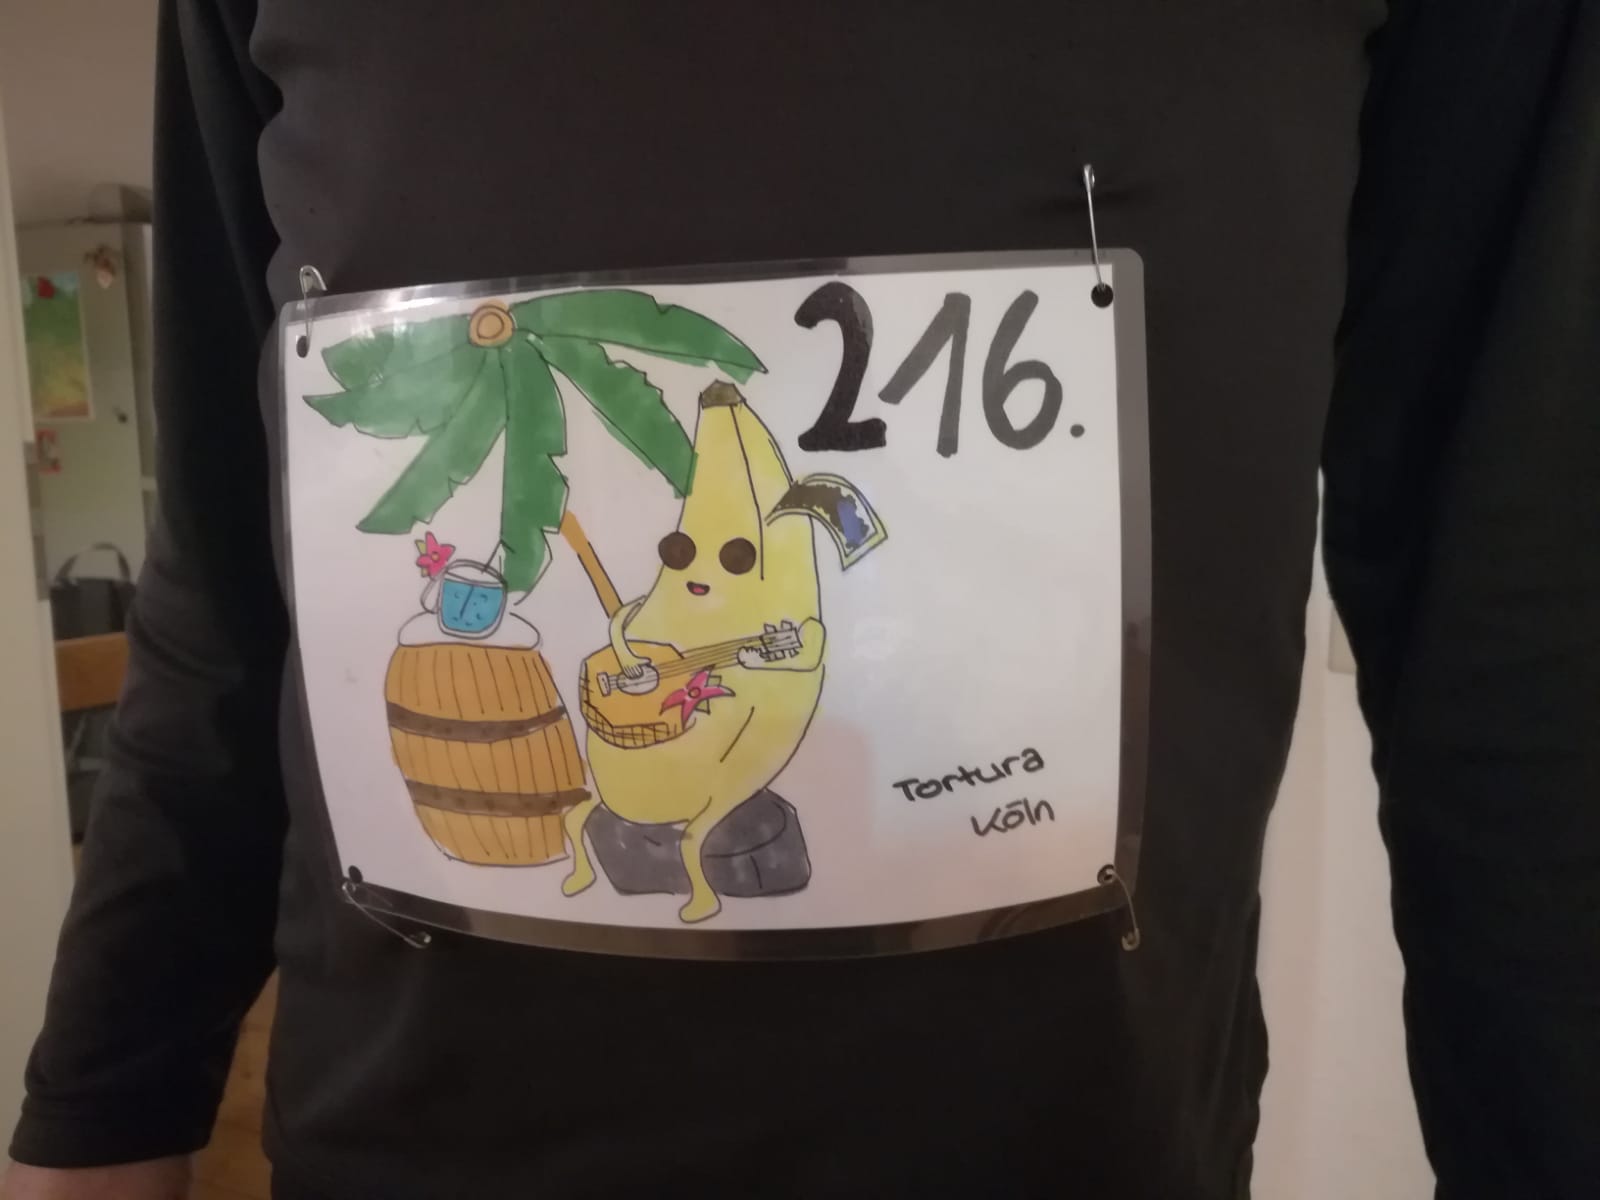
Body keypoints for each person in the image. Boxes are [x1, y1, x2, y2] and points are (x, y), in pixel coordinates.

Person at [5, 2, 1597, 1197]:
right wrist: (102, 1103)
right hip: (401, 1143)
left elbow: (1505, 605)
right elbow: (225, 571)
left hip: (1074, 1148)